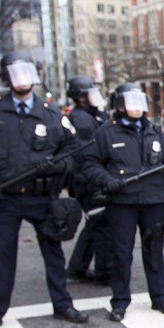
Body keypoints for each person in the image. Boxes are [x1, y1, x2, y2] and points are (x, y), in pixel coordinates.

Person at [0, 51, 88, 328]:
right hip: (3, 197)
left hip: (43, 197)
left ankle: (62, 304)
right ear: (5, 77)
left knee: (53, 253)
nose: (21, 79)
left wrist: (58, 166)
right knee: (0, 256)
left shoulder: (52, 114)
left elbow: (72, 150)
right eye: (14, 73)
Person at [82, 83, 164, 322]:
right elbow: (89, 163)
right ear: (119, 105)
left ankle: (160, 298)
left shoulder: (155, 131)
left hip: (154, 200)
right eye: (131, 103)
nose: (137, 108)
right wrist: (107, 180)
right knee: (121, 253)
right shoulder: (107, 132)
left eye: (140, 103)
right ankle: (120, 302)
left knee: (154, 251)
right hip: (123, 202)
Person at [64, 75, 112, 285]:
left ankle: (77, 268)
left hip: (87, 179)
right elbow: (88, 154)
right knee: (100, 224)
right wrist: (97, 183)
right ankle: (102, 271)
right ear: (79, 97)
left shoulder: (91, 115)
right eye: (88, 93)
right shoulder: (82, 119)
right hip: (89, 181)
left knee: (95, 223)